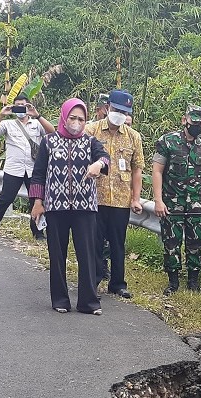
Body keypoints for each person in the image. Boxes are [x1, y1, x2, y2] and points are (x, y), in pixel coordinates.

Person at [29, 98, 110, 315]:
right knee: (57, 254)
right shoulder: (49, 142)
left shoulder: (91, 141)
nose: (76, 122)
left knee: (87, 255)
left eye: (81, 119)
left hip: (85, 208)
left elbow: (105, 158)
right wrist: (38, 202)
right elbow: (38, 175)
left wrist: (98, 164)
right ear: (64, 117)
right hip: (56, 207)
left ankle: (88, 302)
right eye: (72, 118)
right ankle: (60, 299)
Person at [151, 104, 201, 294]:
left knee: (196, 242)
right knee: (171, 242)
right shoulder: (167, 142)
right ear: (184, 120)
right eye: (193, 122)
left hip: (197, 203)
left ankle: (193, 283)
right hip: (172, 201)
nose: (196, 127)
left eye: (200, 124)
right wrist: (158, 200)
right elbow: (157, 171)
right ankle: (173, 283)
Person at [85, 89, 143, 299]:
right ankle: (94, 280)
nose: (120, 115)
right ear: (108, 107)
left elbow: (137, 169)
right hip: (95, 197)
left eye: (125, 112)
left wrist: (135, 198)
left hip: (121, 197)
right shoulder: (91, 131)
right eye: (117, 109)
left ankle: (117, 283)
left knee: (118, 242)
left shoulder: (133, 137)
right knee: (95, 241)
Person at [0, 94, 55, 238]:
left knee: (36, 200)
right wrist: (1, 114)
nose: (20, 109)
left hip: (33, 170)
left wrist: (38, 115)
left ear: (28, 105)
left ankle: (37, 231)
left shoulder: (36, 124)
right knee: (5, 199)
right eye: (17, 105)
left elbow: (52, 133)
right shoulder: (8, 124)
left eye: (22, 105)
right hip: (13, 169)